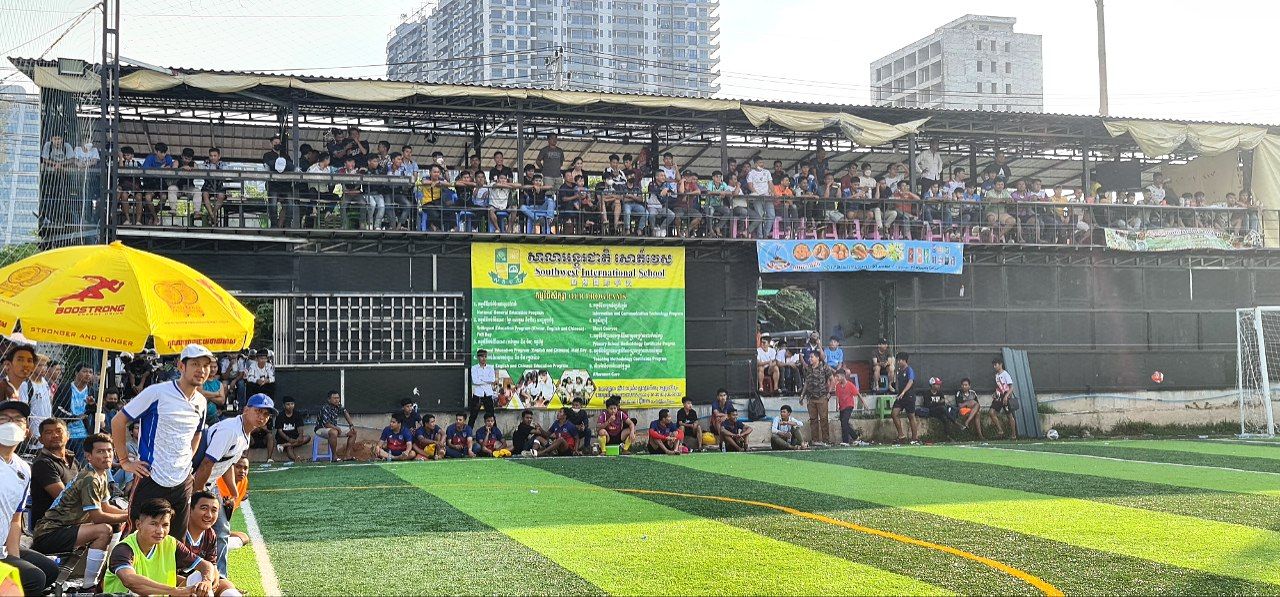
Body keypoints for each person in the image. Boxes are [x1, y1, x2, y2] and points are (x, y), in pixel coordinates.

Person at [112, 344, 214, 539]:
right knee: (138, 537)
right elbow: (118, 421)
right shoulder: (157, 393)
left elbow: (197, 434)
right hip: (151, 477)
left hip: (182, 482)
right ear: (181, 366)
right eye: (195, 364)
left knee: (175, 541)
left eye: (205, 365)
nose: (201, 370)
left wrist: (187, 462)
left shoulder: (201, 401)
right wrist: (124, 461)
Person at [192, 394, 273, 576]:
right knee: (190, 531)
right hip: (194, 481)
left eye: (266, 414)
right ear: (246, 410)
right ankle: (186, 575)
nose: (261, 417)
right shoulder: (231, 431)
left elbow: (227, 464)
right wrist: (196, 494)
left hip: (208, 483)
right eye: (258, 411)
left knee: (221, 530)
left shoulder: (244, 434)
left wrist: (234, 492)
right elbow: (206, 463)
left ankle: (220, 577)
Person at [32, 433, 127, 589]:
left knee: (115, 524)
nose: (107, 455)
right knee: (104, 530)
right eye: (100, 451)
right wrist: (129, 516)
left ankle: (106, 574)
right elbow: (97, 517)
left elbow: (106, 507)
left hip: (67, 529)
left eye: (109, 450)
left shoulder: (101, 474)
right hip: (49, 534)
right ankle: (90, 585)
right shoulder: (90, 478)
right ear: (88, 456)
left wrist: (130, 513)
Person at [103, 498, 226, 596]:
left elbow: (206, 565)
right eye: (154, 524)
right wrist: (175, 591)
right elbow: (130, 581)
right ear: (138, 524)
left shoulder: (171, 543)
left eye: (165, 525)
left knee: (200, 577)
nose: (160, 531)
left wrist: (206, 581)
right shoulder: (123, 549)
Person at [0, 400, 59, 595]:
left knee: (50, 570)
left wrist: (13, 560)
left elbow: (15, 519)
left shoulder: (23, 469)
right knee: (35, 578)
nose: (11, 424)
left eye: (18, 420)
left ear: (26, 431)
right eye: (4, 419)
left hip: (3, 547)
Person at [182, 491, 241, 597]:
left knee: (229, 590)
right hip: (174, 586)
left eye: (214, 510)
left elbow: (213, 565)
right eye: (204, 508)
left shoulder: (210, 534)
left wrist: (213, 581)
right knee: (200, 578)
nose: (209, 515)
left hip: (200, 578)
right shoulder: (178, 533)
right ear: (190, 509)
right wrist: (202, 581)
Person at [29, 418, 79, 531]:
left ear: (68, 435)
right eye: (48, 432)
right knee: (104, 529)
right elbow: (65, 499)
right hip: (50, 527)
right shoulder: (42, 463)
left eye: (59, 431)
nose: (55, 435)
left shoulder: (73, 460)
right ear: (40, 439)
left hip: (72, 519)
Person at [800, 352, 834, 446]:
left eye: (812, 357)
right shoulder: (808, 368)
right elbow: (806, 382)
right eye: (809, 357)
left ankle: (826, 440)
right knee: (813, 420)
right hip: (811, 398)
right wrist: (802, 395)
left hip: (822, 396)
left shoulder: (824, 367)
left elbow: (832, 379)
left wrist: (829, 392)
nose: (810, 359)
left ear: (817, 358)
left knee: (823, 419)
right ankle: (815, 440)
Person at [315, 390, 358, 461]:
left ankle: (347, 455)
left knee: (353, 432)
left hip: (333, 427)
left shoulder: (338, 405)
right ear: (329, 400)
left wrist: (351, 425)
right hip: (321, 429)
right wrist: (337, 428)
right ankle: (334, 456)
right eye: (334, 398)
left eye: (338, 398)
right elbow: (326, 424)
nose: (337, 400)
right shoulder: (325, 408)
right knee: (334, 432)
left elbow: (345, 412)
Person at [890, 352, 919, 444]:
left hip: (909, 396)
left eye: (900, 360)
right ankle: (901, 435)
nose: (898, 362)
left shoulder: (909, 370)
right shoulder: (899, 371)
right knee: (894, 413)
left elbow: (911, 381)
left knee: (911, 416)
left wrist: (904, 392)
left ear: (904, 360)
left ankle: (915, 438)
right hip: (900, 396)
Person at [272, 397, 310, 462]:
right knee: (289, 448)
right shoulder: (280, 416)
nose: (290, 406)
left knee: (308, 437)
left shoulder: (297, 414)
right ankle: (295, 459)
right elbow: (280, 431)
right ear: (283, 406)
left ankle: (284, 445)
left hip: (294, 437)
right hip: (283, 438)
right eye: (288, 404)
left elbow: (300, 427)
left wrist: (300, 436)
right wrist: (289, 439)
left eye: (292, 404)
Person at [989, 357, 1019, 440]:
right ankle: (1000, 431)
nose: (994, 367)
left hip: (1006, 396)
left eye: (996, 365)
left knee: (1009, 415)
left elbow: (1011, 387)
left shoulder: (1005, 374)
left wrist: (1006, 396)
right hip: (999, 396)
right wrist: (995, 394)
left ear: (1000, 364)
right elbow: (999, 387)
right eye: (993, 365)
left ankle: (1013, 435)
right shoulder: (996, 375)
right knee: (991, 412)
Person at [468, 349, 497, 428]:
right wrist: (487, 380)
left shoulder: (490, 367)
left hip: (488, 394)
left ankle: (494, 432)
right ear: (478, 357)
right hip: (478, 394)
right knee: (473, 415)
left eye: (485, 356)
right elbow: (475, 381)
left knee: (491, 415)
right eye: (482, 356)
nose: (484, 358)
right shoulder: (474, 368)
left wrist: (481, 379)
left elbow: (492, 379)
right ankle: (468, 433)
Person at [834, 370, 862, 446]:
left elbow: (858, 394)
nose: (837, 378)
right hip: (842, 407)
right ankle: (855, 436)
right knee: (843, 423)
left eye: (838, 376)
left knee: (844, 421)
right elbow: (837, 396)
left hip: (849, 406)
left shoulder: (850, 385)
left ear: (843, 376)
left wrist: (865, 404)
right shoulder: (838, 386)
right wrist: (836, 406)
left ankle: (845, 441)